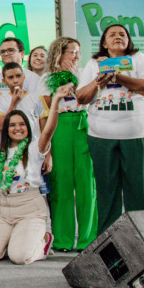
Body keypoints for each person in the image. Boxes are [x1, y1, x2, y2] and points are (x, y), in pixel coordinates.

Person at [0, 85, 71, 265]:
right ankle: (16, 238)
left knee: (19, 257)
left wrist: (56, 100)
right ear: (6, 129)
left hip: (30, 210)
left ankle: (43, 242)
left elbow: (48, 131)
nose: (17, 128)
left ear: (28, 127)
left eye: (22, 124)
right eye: (12, 125)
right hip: (3, 212)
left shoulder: (34, 148)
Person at [76, 24, 144, 233]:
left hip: (137, 135)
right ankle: (107, 242)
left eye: (122, 34)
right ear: (104, 43)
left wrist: (117, 76)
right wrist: (99, 80)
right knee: (106, 193)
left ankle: (140, 240)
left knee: (138, 192)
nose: (118, 37)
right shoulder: (94, 63)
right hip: (101, 137)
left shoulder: (138, 58)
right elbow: (81, 97)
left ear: (128, 40)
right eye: (112, 34)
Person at [38, 37, 97, 252]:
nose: (76, 56)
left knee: (86, 184)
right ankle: (62, 239)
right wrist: (47, 149)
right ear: (59, 53)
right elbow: (43, 115)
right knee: (60, 184)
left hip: (83, 125)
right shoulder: (47, 78)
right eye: (72, 51)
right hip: (58, 127)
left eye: (78, 52)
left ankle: (88, 239)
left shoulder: (84, 74)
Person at [0, 37, 41, 107]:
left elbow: (38, 106)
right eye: (3, 51)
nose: (6, 54)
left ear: (22, 53)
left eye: (10, 50)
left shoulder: (33, 78)